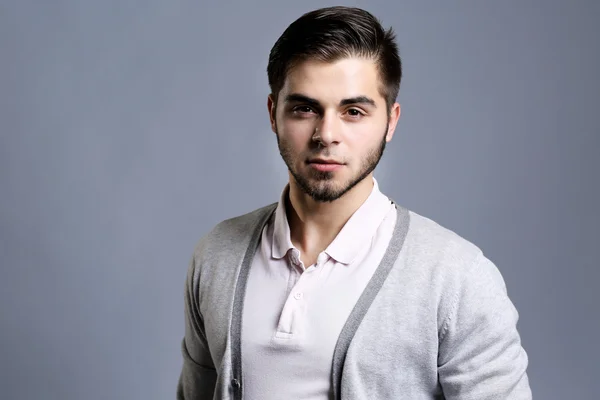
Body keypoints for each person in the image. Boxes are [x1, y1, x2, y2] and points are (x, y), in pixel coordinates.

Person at [177, 6, 532, 400]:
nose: (327, 134)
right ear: (273, 113)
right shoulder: (216, 255)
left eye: (354, 111)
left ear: (391, 121)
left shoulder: (458, 279)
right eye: (305, 108)